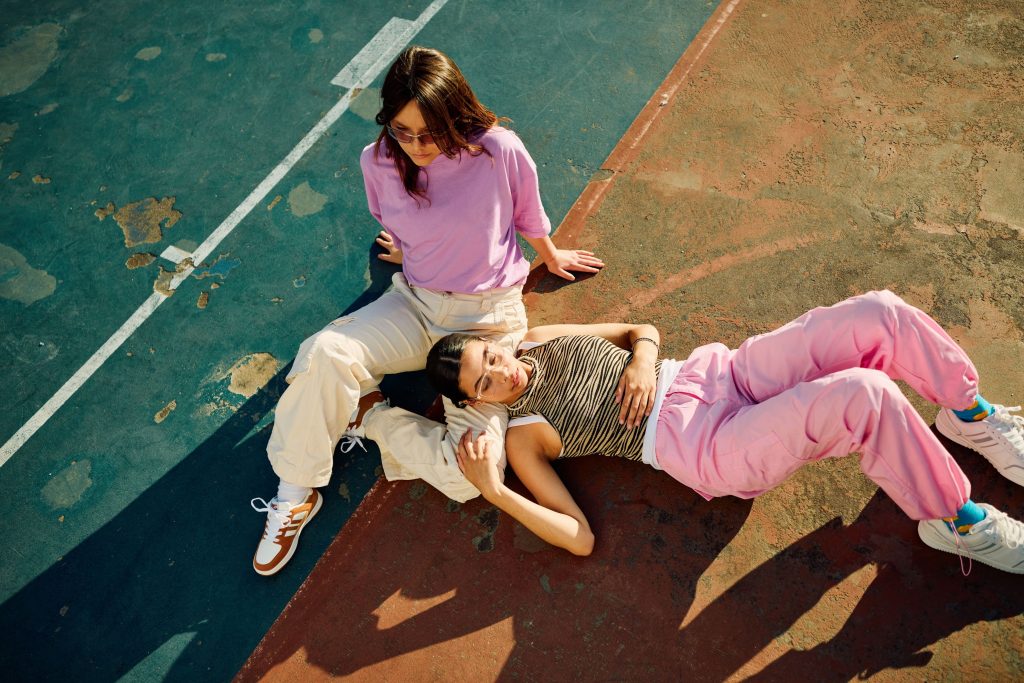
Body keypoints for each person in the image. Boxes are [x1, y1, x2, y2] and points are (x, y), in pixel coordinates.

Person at [250, 46, 604, 576]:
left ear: (455, 115)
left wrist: (550, 256)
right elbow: (392, 216)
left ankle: (369, 414)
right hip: (416, 304)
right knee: (324, 352)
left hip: (488, 324)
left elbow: (527, 212)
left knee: (470, 475)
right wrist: (410, 248)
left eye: (429, 132)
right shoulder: (377, 160)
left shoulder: (497, 149)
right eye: (402, 131)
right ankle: (296, 493)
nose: (416, 146)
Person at [426, 290, 1024, 574]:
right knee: (864, 396)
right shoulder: (523, 437)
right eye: (485, 383)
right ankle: (954, 520)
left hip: (717, 373)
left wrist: (642, 360)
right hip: (702, 446)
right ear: (474, 402)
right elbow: (578, 538)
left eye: (492, 357)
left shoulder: (539, 339)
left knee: (878, 313)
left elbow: (639, 330)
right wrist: (496, 492)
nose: (503, 374)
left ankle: (969, 415)